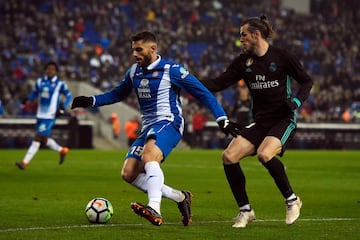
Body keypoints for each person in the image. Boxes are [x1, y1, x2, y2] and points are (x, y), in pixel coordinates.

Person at [71, 31, 239, 226]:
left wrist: (222, 118)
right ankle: (179, 197)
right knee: (129, 173)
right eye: (133, 50)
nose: (135, 54)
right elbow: (117, 94)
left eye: (139, 50)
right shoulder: (134, 72)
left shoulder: (172, 70)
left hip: (169, 122)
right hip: (149, 127)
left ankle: (154, 208)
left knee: (149, 157)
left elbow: (203, 93)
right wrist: (90, 100)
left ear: (153, 48)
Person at [201, 15, 313, 228]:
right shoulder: (243, 62)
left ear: (256, 35)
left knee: (264, 154)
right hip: (260, 121)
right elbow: (217, 83)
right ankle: (245, 211)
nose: (240, 40)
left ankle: (292, 200)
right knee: (229, 156)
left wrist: (297, 101)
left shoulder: (282, 57)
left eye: (243, 35)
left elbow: (307, 80)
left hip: (283, 119)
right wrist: (187, 81)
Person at [16, 61, 73, 170]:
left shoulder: (60, 84)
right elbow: (34, 93)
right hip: (40, 114)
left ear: (56, 71)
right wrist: (27, 99)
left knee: (37, 137)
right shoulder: (39, 82)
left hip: (50, 115)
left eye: (52, 69)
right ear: (45, 70)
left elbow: (69, 96)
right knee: (44, 139)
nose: (50, 71)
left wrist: (62, 107)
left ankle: (24, 163)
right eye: (48, 68)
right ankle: (62, 150)